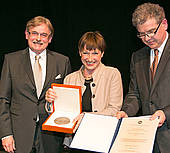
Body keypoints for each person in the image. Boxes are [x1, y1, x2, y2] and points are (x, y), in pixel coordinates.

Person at [116, 2, 170, 153]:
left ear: (164, 24)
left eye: (152, 31)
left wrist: (167, 113)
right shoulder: (137, 57)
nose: (147, 38)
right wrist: (126, 111)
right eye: (142, 34)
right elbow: (135, 94)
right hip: (148, 141)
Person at [0, 16, 71, 153]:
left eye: (44, 35)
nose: (38, 38)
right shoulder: (11, 60)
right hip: (19, 135)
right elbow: (3, 99)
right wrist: (6, 134)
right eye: (34, 33)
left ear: (50, 39)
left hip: (51, 135)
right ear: (27, 35)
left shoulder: (62, 62)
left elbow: (67, 100)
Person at [45, 31, 123, 152]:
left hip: (103, 140)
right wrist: (50, 102)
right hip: (76, 142)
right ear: (80, 53)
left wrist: (86, 117)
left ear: (102, 54)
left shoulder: (112, 74)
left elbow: (114, 110)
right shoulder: (70, 78)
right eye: (86, 53)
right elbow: (62, 112)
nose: (90, 58)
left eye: (95, 53)